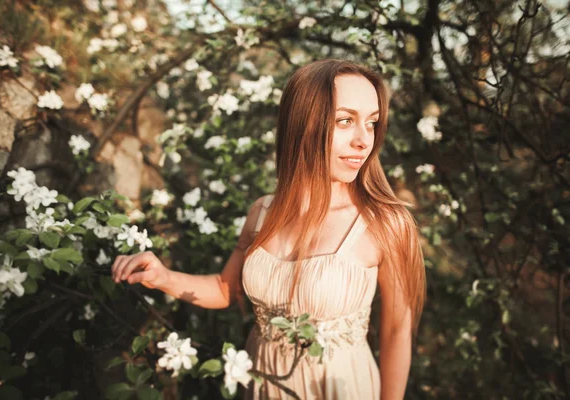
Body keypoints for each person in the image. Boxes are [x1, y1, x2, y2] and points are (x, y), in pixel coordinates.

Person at [111, 59, 426, 400]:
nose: (364, 140)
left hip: (339, 389)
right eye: (346, 121)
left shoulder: (386, 223)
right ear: (303, 124)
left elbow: (396, 332)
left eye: (372, 122)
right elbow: (226, 289)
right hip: (263, 386)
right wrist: (163, 277)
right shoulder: (262, 212)